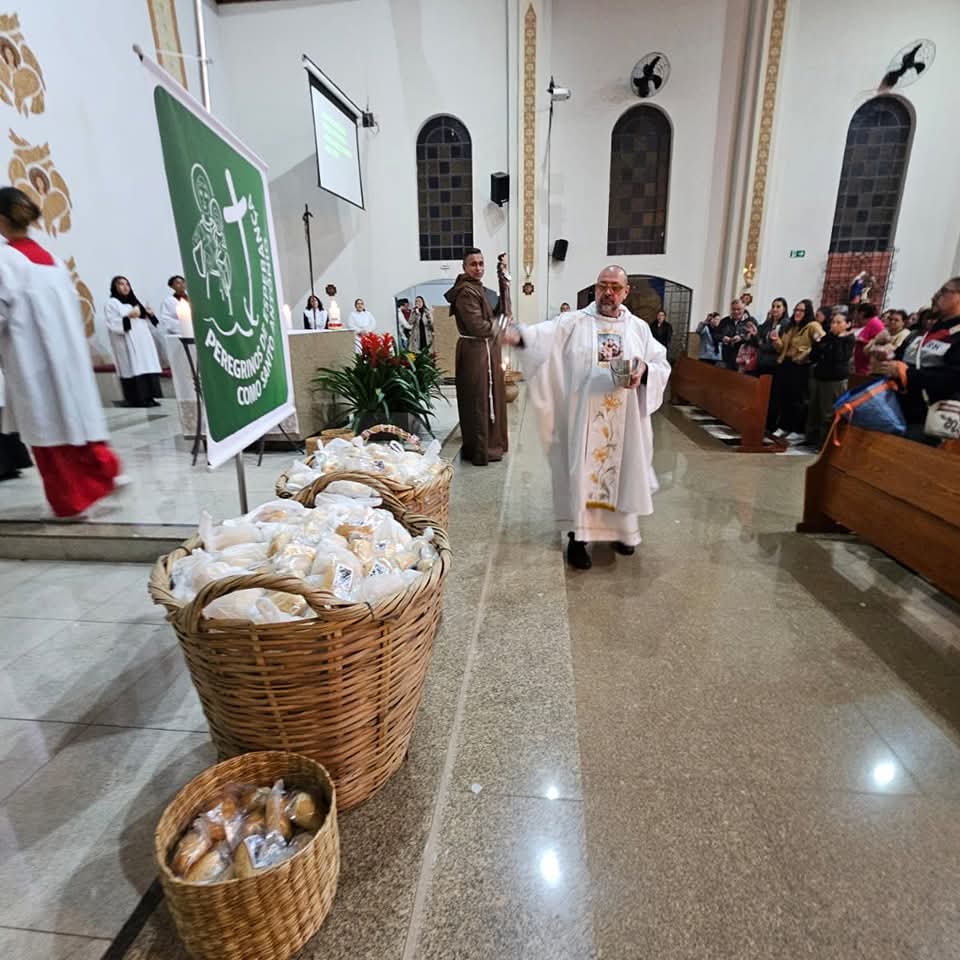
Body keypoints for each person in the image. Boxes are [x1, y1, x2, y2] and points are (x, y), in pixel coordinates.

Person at [503, 265, 670, 569]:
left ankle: (623, 533)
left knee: (625, 474)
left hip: (627, 420)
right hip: (585, 421)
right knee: (584, 477)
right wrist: (518, 336)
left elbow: (660, 363)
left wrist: (644, 372)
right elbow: (542, 336)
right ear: (595, 288)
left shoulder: (639, 328)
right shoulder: (574, 322)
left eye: (615, 287)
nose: (608, 292)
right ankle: (579, 539)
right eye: (602, 286)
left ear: (626, 291)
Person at [0, 186, 123, 517]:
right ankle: (104, 473)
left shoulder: (5, 260)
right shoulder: (52, 259)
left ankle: (71, 502)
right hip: (67, 360)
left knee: (48, 432)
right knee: (75, 423)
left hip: (32, 363)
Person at [444, 248, 508, 466]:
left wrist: (504, 284)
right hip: (475, 351)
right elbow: (479, 327)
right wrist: (499, 326)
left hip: (486, 350)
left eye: (481, 263)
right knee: (479, 399)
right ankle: (481, 447)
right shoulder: (465, 292)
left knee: (491, 395)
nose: (478, 268)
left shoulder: (479, 289)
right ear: (464, 267)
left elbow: (498, 314)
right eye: (473, 264)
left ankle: (493, 441)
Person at [877, 279, 960, 443]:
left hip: (930, 419)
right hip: (899, 411)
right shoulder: (928, 332)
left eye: (944, 291)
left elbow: (953, 379)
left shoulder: (957, 336)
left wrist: (907, 372)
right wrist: (889, 357)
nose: (936, 296)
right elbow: (904, 358)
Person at [104, 275, 163, 407]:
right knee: (134, 368)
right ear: (115, 287)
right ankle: (137, 399)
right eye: (121, 284)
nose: (125, 287)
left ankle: (150, 397)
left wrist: (150, 315)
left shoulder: (135, 302)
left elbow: (149, 321)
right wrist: (128, 317)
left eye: (127, 284)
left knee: (147, 366)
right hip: (127, 342)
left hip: (143, 341)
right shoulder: (112, 303)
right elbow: (112, 323)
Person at [770, 299, 822, 443]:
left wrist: (806, 354)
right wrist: (775, 340)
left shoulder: (812, 326)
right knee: (784, 397)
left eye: (801, 310)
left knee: (797, 399)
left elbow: (821, 342)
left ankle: (797, 429)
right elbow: (782, 348)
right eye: (796, 310)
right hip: (785, 363)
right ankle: (784, 426)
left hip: (800, 365)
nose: (798, 313)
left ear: (808, 312)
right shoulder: (792, 327)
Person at [805, 307, 854, 447]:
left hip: (834, 380)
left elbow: (839, 357)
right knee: (814, 410)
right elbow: (814, 355)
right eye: (833, 322)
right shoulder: (828, 337)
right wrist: (818, 343)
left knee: (828, 413)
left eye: (839, 322)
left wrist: (837, 339)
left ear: (847, 324)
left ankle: (824, 444)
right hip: (820, 376)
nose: (834, 325)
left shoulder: (848, 340)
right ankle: (811, 439)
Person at [852, 302, 885, 375]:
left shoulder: (875, 323)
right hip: (860, 362)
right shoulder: (866, 323)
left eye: (858, 313)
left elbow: (880, 343)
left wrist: (862, 340)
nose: (857, 315)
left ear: (863, 313)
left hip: (867, 363)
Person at [718, 299, 749, 370]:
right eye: (733, 309)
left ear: (744, 309)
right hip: (726, 358)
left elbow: (754, 338)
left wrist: (741, 338)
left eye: (738, 309)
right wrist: (722, 338)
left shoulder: (750, 321)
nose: (736, 312)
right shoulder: (724, 321)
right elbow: (715, 335)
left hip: (743, 360)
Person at [497, 253, 512, 321]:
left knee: (507, 299)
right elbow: (504, 274)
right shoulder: (501, 265)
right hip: (504, 285)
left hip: (506, 284)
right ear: (502, 257)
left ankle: (508, 312)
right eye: (505, 257)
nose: (506, 258)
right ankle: (506, 312)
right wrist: (507, 280)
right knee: (505, 298)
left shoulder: (503, 265)